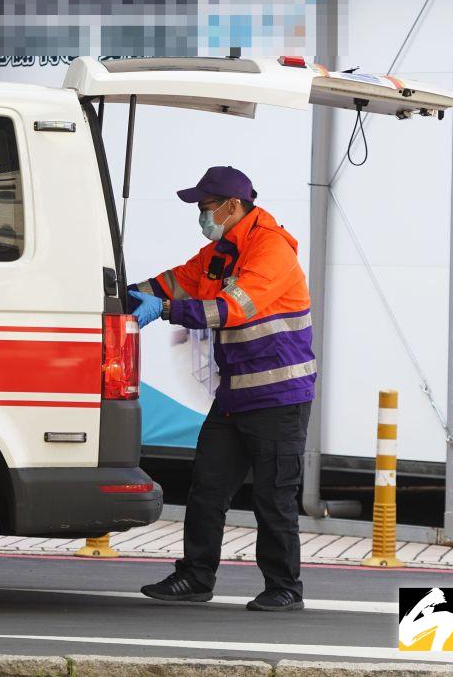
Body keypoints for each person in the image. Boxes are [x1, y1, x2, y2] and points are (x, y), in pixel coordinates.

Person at [129, 165, 315, 611]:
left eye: (206, 207)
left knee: (273, 498)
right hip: (234, 395)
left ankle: (284, 588)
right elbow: (176, 280)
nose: (201, 215)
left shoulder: (271, 250)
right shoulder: (223, 249)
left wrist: (168, 310)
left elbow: (231, 309)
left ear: (233, 205)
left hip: (277, 397)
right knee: (208, 488)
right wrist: (122, 292)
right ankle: (196, 577)